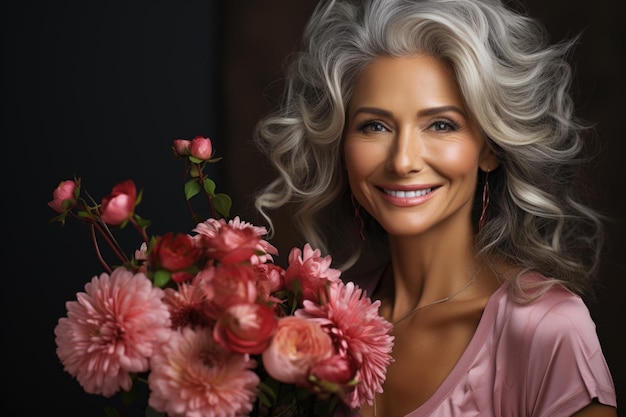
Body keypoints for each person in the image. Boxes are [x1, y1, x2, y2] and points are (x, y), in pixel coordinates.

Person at [252, 0, 618, 416]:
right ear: (341, 144)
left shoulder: (547, 329)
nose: (403, 160)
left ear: (489, 147)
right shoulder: (320, 322)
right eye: (375, 125)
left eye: (441, 124)